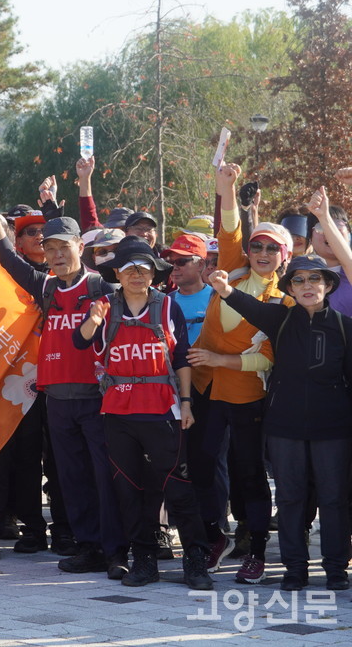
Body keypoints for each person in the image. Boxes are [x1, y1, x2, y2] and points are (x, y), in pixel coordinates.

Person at [0, 193, 128, 578]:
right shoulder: (46, 287)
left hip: (96, 399)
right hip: (57, 401)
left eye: (65, 246)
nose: (58, 254)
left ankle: (115, 551)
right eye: (51, 248)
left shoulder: (104, 289)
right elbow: (8, 260)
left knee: (104, 477)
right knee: (72, 480)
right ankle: (88, 547)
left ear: (81, 247)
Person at [207, 254, 352, 591]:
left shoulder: (346, 328)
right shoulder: (281, 319)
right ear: (291, 287)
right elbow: (247, 306)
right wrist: (225, 288)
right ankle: (295, 569)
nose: (307, 286)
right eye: (298, 280)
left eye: (314, 279)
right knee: (290, 498)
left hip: (333, 430)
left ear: (328, 285)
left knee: (334, 499)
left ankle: (335, 569)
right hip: (285, 427)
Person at [74, 238, 212, 589]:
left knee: (178, 488)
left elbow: (180, 359)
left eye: (145, 268)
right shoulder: (103, 306)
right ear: (117, 273)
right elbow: (80, 341)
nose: (137, 274)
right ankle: (144, 559)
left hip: (163, 411)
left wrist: (186, 403)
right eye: (129, 268)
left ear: (154, 273)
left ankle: (195, 560)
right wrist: (92, 320)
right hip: (118, 414)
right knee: (130, 490)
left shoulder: (168, 307)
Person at [186, 163, 279, 584]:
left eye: (271, 250)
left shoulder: (285, 299)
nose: (261, 255)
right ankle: (212, 538)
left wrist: (223, 361)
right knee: (203, 467)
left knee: (249, 475)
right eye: (257, 247)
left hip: (246, 395)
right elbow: (230, 232)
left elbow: (268, 359)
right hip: (206, 390)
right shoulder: (234, 269)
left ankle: (256, 549)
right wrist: (226, 187)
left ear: (284, 256)